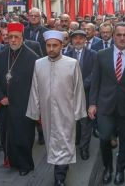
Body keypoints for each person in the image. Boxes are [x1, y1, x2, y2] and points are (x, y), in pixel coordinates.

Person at [26, 30, 86, 186]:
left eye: (55, 45)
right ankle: (61, 169)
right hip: (47, 112)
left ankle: (59, 177)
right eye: (48, 45)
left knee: (65, 141)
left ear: (62, 45)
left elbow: (78, 89)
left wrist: (78, 112)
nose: (51, 48)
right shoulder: (39, 64)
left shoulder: (72, 63)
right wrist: (34, 111)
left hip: (66, 111)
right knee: (52, 142)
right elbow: (35, 88)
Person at [88, 22, 125, 185]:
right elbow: (95, 82)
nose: (122, 38)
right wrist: (92, 103)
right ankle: (108, 168)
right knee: (105, 138)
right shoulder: (101, 55)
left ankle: (120, 170)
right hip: (105, 105)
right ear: (113, 36)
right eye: (118, 35)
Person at [0, 22, 39, 176]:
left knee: (23, 137)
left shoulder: (33, 58)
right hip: (5, 106)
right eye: (10, 37)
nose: (12, 40)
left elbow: (38, 84)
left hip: (24, 105)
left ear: (22, 38)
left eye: (16, 37)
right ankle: (10, 160)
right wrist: (0, 97)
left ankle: (25, 165)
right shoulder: (0, 57)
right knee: (7, 135)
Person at [64, 30, 97, 160]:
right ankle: (73, 144)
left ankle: (84, 148)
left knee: (85, 123)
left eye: (81, 38)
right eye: (75, 38)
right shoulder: (66, 55)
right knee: (71, 122)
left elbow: (95, 73)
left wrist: (81, 85)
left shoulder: (93, 54)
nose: (78, 41)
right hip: (69, 95)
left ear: (85, 40)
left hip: (86, 94)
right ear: (71, 40)